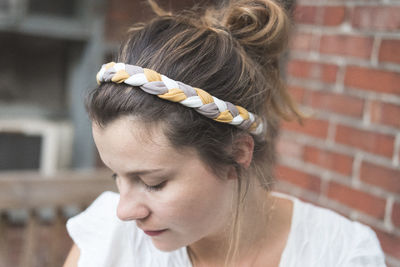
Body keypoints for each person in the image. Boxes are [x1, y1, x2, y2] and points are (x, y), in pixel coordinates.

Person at [63, 0, 386, 266]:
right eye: (116, 178)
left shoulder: (342, 253)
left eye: (152, 183)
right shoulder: (106, 241)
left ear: (237, 152)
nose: (124, 210)